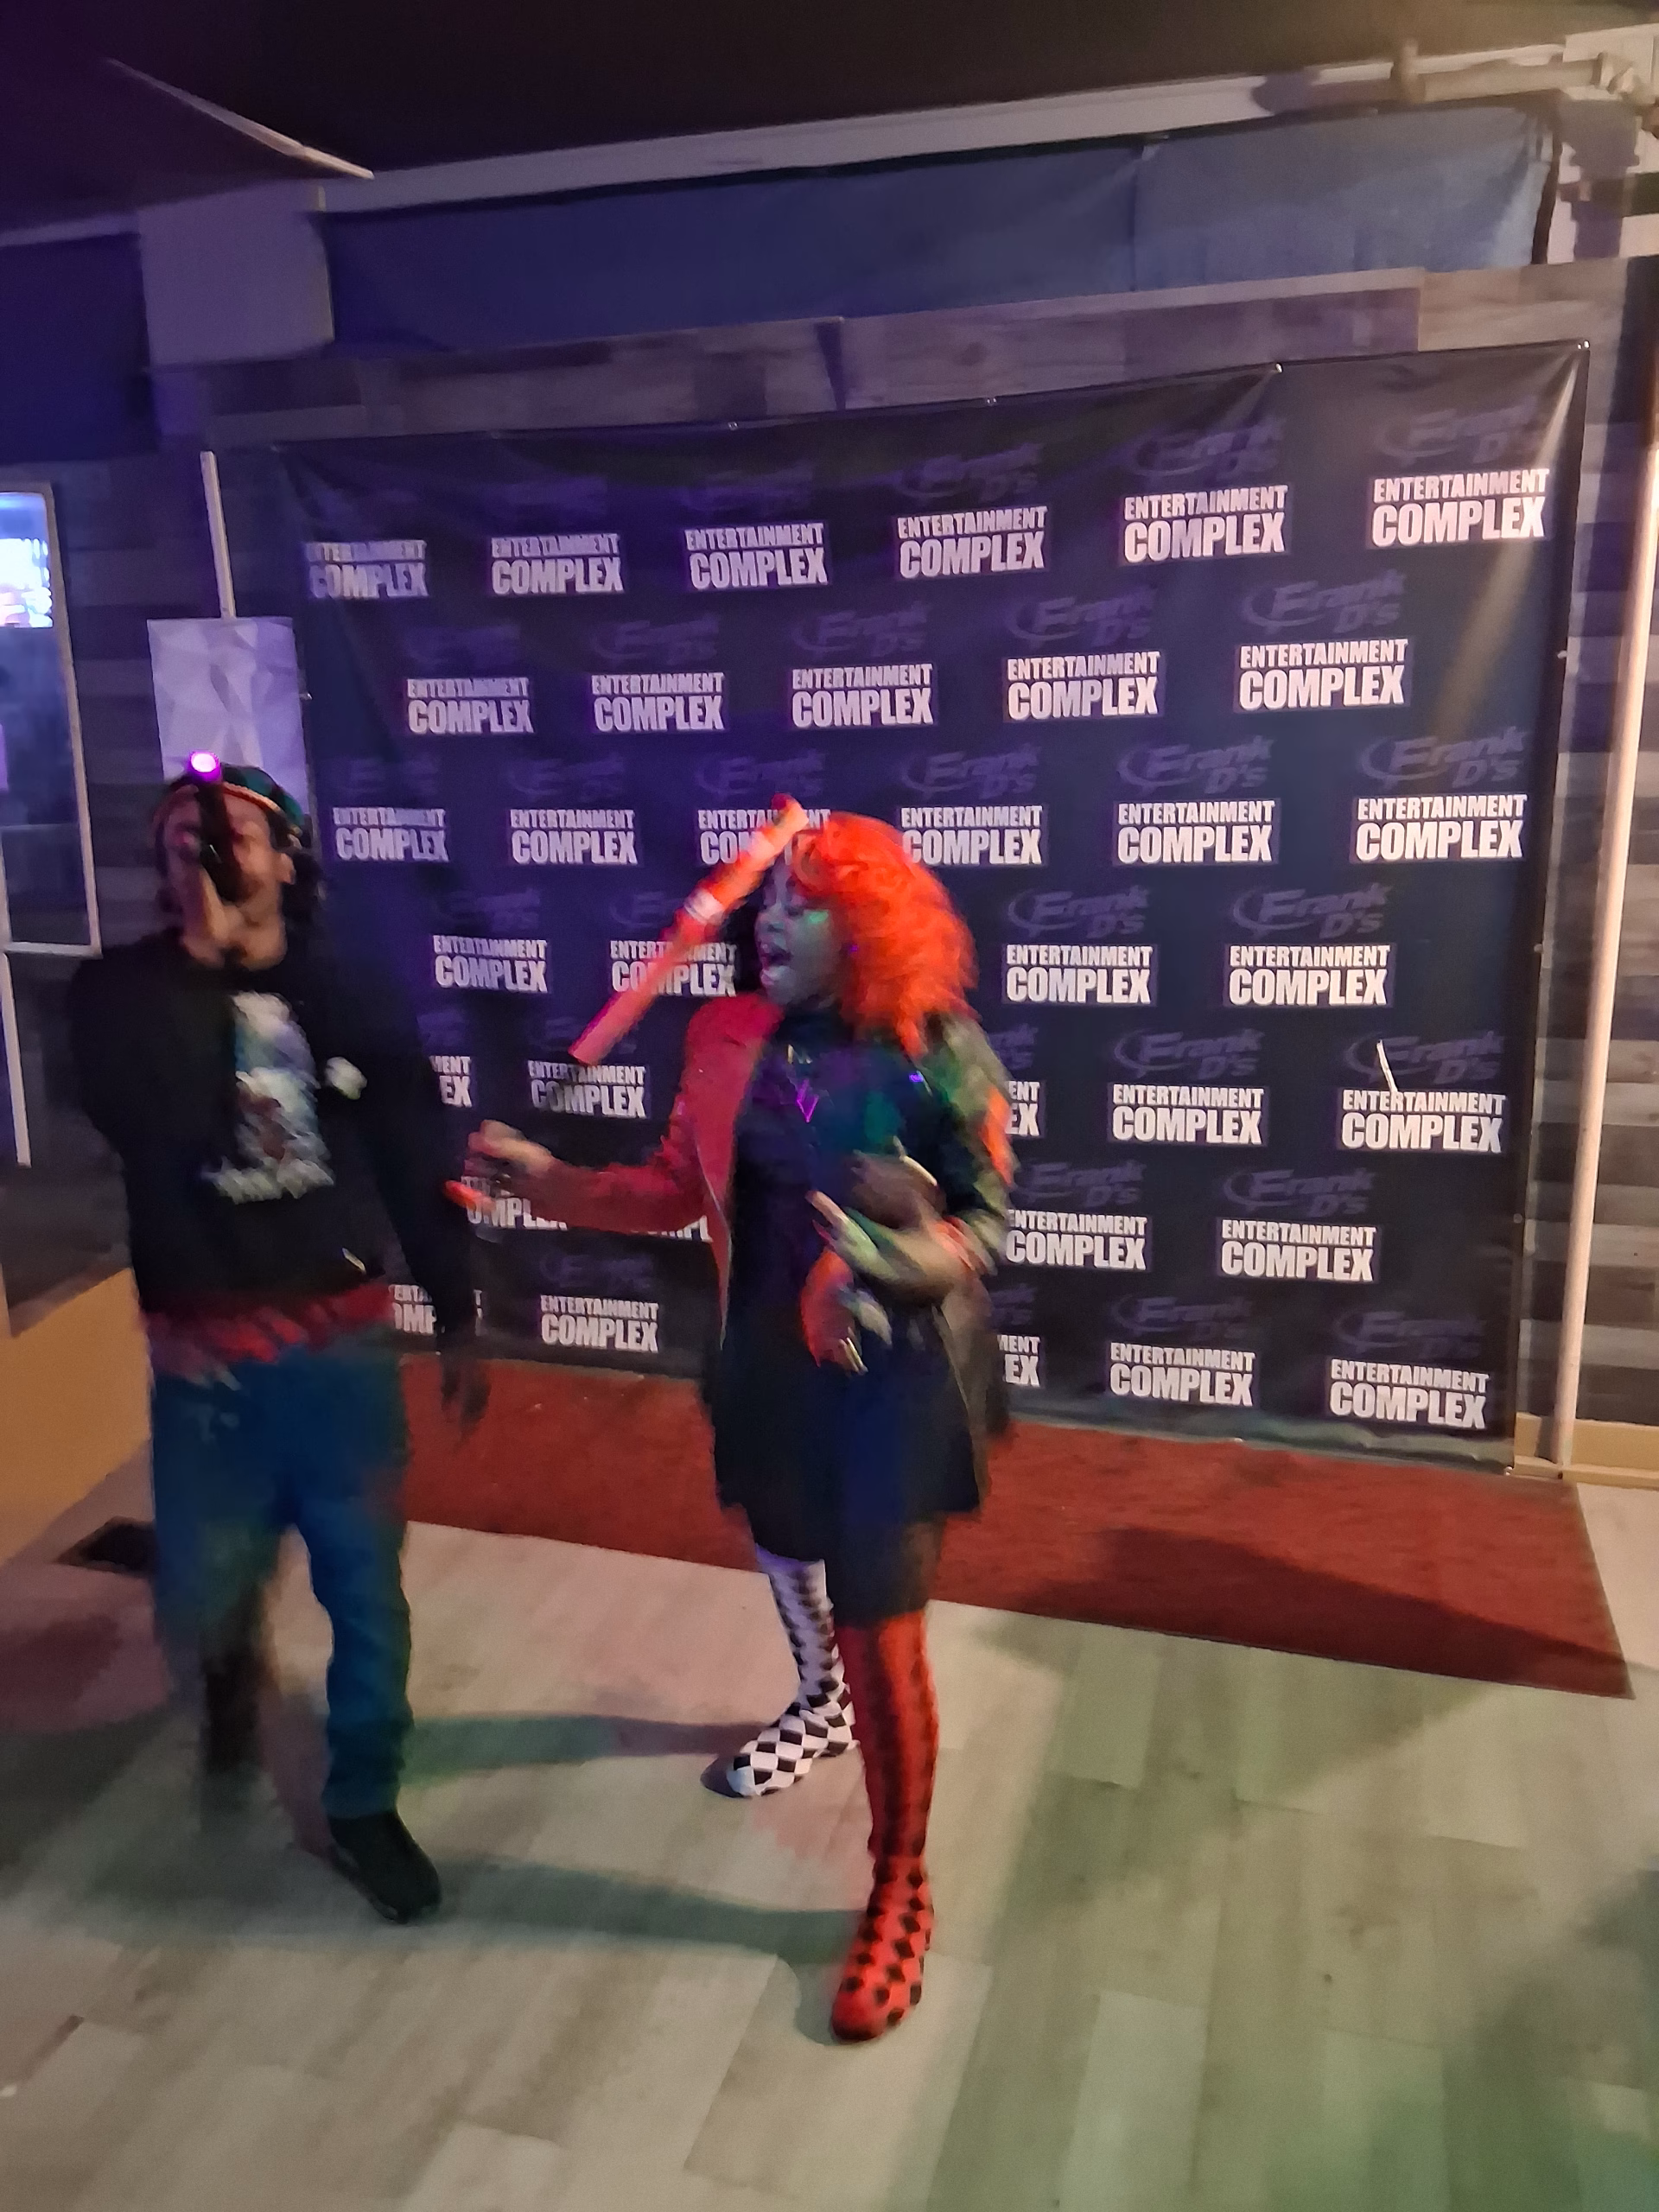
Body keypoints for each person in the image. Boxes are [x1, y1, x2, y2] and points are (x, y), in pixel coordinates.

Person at [470, 814, 1010, 2040]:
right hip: (765, 1364)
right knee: (784, 1551)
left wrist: (894, 1258)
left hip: (895, 1379)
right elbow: (675, 1189)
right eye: (772, 899)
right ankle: (818, 1705)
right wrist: (551, 1181)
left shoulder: (936, 1048)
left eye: (806, 902)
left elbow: (983, 1223)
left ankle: (899, 1882)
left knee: (884, 1629)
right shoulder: (724, 1035)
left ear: (867, 926)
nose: (773, 918)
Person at [67, 762, 486, 1923]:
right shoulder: (116, 996)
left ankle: (363, 1804)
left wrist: (455, 1308)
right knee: (207, 1579)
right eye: (180, 836)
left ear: (290, 858)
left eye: (233, 831)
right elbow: (142, 1119)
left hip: (337, 1350)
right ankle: (225, 1674)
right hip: (203, 1359)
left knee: (366, 1596)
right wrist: (205, 962)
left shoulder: (346, 989)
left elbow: (410, 1148)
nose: (204, 846)